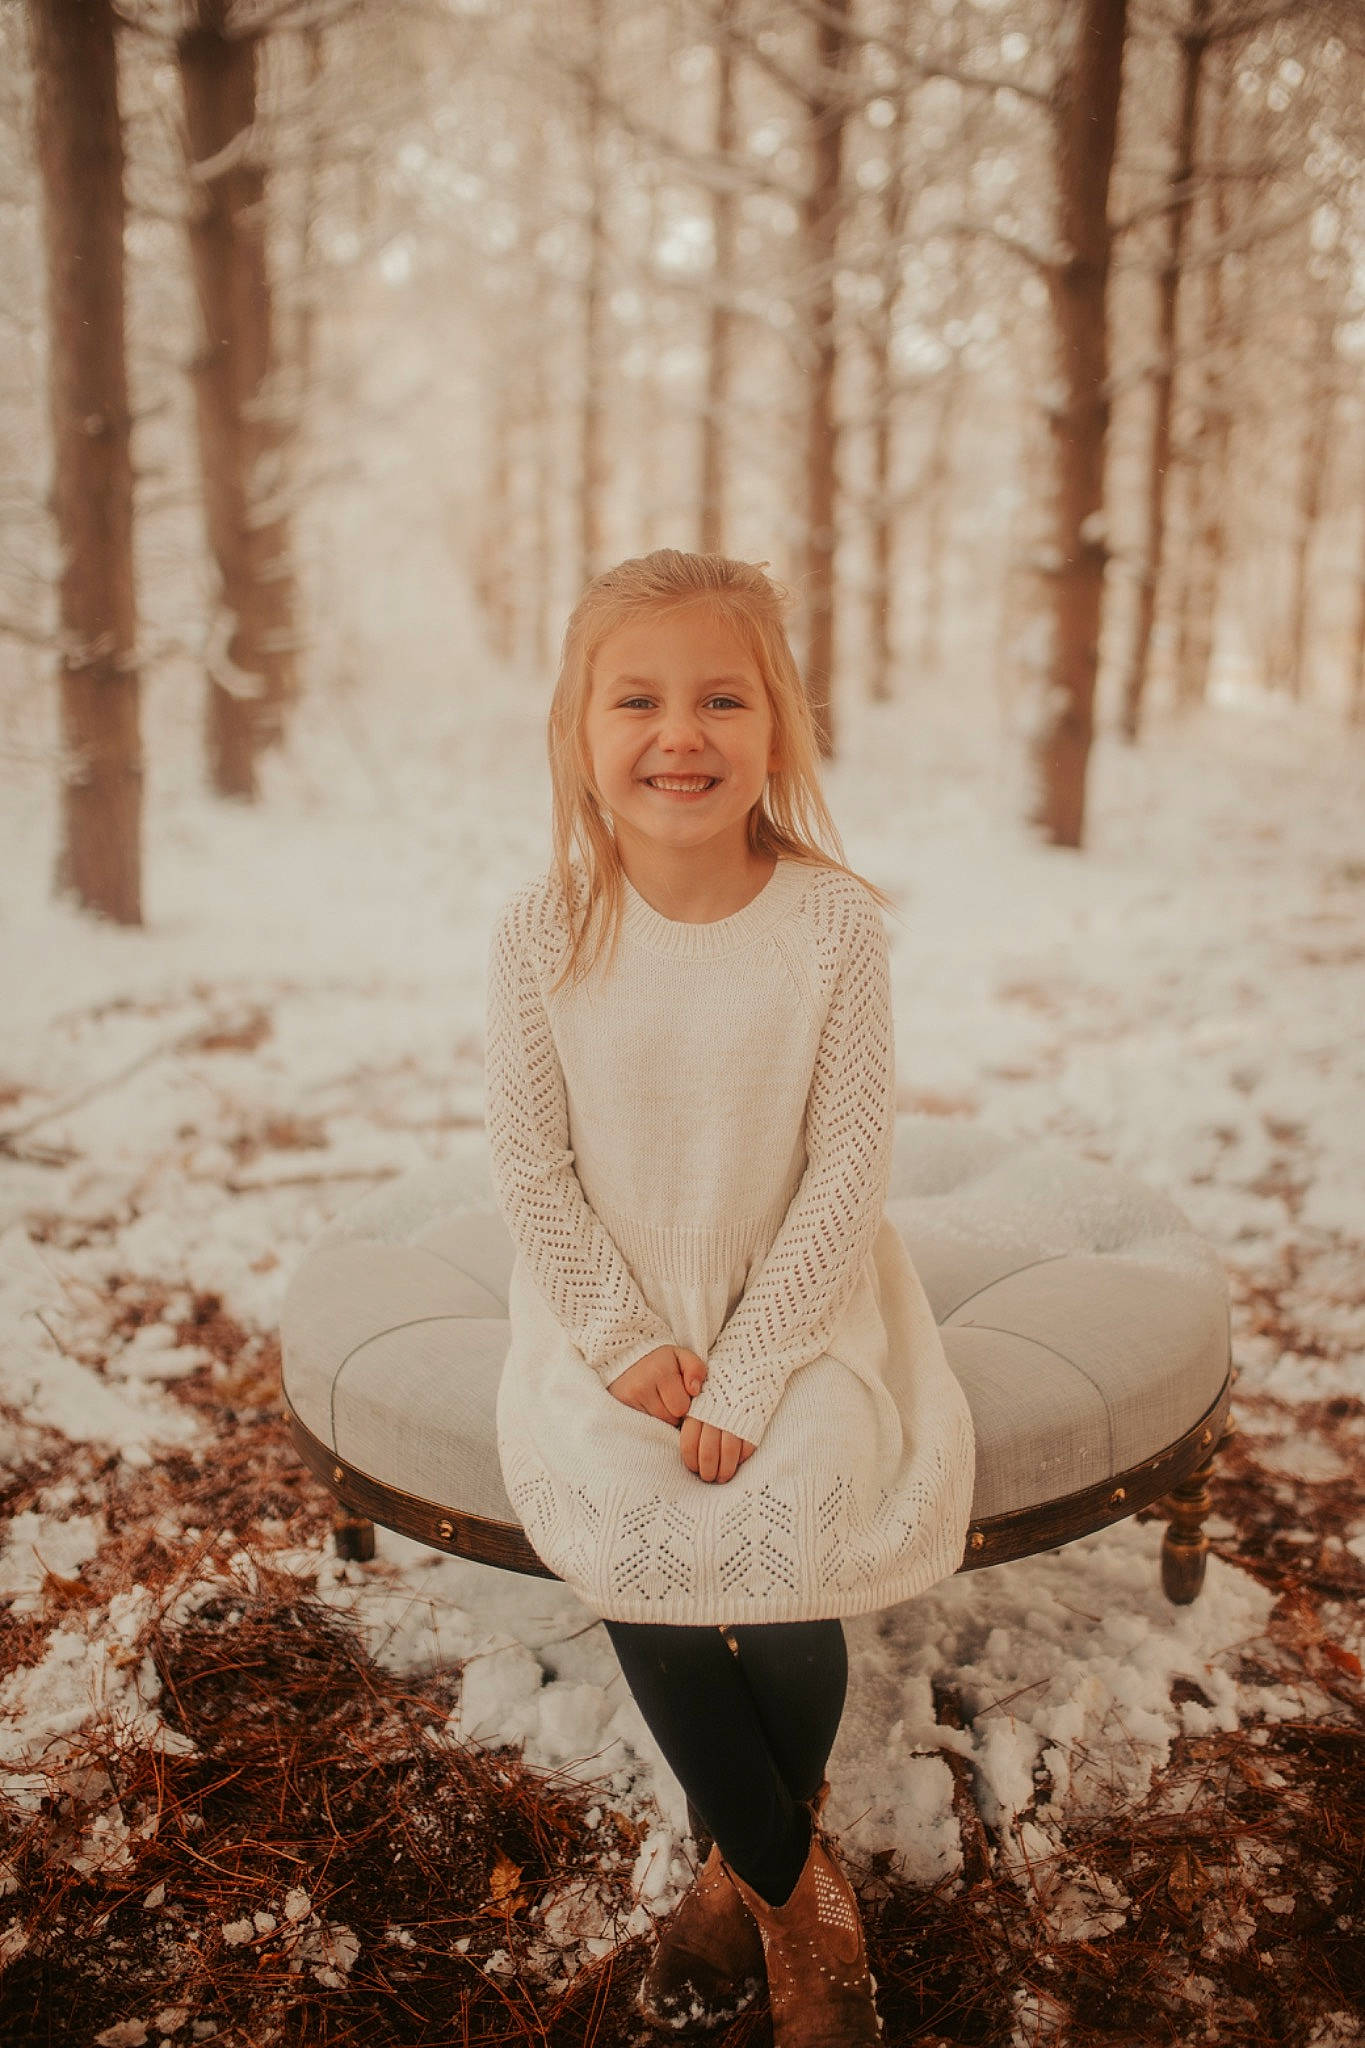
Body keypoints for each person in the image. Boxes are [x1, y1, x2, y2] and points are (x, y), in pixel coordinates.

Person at [483, 549, 976, 2043]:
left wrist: (755, 1369)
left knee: (793, 1520)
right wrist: (628, 1340)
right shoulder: (543, 931)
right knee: (637, 1535)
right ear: (579, 730)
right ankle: (793, 1896)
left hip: (801, 1297)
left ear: (777, 729)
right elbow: (529, 1159)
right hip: (602, 1304)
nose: (676, 732)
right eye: (635, 698)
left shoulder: (830, 928)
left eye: (720, 697)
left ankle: (728, 1877)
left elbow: (846, 1166)